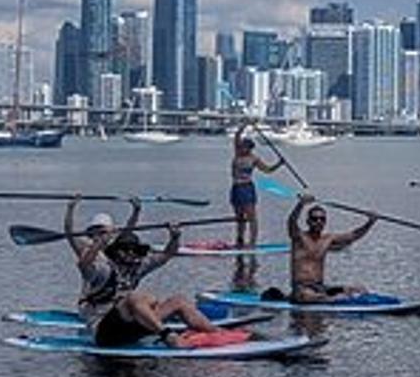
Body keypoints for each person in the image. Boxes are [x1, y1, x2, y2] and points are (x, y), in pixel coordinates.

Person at [66, 195, 225, 347]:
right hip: (103, 330)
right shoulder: (103, 268)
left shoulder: (138, 266)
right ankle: (168, 336)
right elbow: (83, 264)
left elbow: (167, 254)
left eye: (134, 251)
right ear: (116, 252)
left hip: (130, 323)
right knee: (136, 298)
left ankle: (218, 333)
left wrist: (175, 237)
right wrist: (96, 244)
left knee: (179, 301)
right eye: (125, 250)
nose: (130, 254)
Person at [286, 192, 378, 303]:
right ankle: (330, 300)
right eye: (315, 219)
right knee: (307, 296)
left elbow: (353, 236)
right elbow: (291, 221)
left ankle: (331, 298)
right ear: (308, 221)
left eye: (322, 219)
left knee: (359, 289)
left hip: (319, 287)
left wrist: (370, 222)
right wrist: (301, 204)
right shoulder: (299, 237)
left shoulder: (327, 239)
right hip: (301, 289)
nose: (318, 222)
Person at [229, 126, 286, 251]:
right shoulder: (237, 153)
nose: (242, 148)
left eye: (245, 147)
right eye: (242, 146)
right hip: (236, 188)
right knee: (239, 217)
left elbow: (267, 170)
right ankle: (240, 239)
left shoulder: (254, 159)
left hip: (247, 188)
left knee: (251, 217)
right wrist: (245, 125)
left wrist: (279, 164)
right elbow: (237, 135)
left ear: (250, 148)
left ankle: (252, 242)